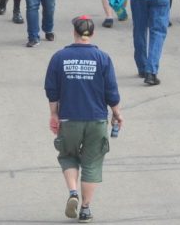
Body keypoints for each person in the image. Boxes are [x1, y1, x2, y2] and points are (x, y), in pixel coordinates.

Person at [44, 15, 122, 224]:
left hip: (69, 118)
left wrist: (54, 113)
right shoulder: (103, 58)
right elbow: (111, 92)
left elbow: (52, 90)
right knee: (92, 163)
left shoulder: (59, 57)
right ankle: (86, 209)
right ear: (92, 34)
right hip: (96, 119)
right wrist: (117, 113)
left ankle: (73, 192)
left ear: (74, 33)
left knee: (68, 155)